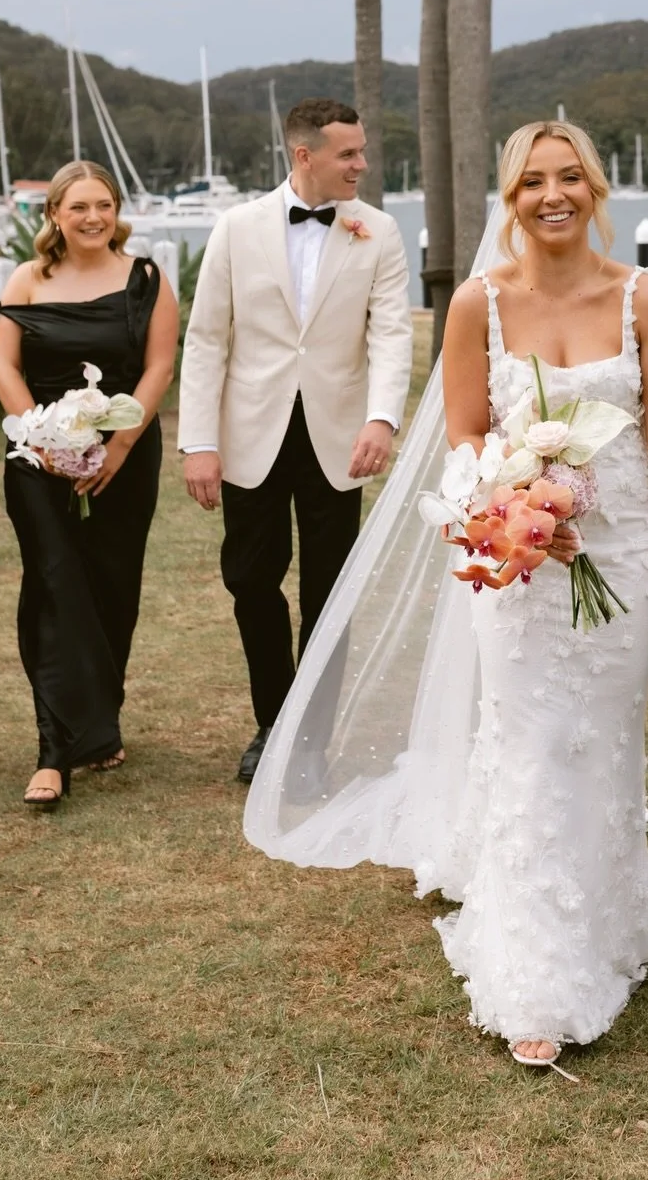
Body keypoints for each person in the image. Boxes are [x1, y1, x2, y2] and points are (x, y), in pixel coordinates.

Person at [244, 121, 648, 1078]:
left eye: (569, 178)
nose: (553, 195)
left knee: (606, 730)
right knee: (533, 741)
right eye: (532, 182)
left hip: (622, 549)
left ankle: (612, 915)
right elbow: (466, 433)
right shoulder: (478, 303)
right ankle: (537, 970)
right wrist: (513, 507)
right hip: (518, 557)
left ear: (595, 186)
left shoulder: (645, 297)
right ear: (510, 198)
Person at [178, 98, 412, 783]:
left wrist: (381, 418)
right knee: (252, 578)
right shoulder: (235, 226)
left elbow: (392, 333)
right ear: (304, 155)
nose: (362, 164)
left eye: (362, 151)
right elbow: (207, 338)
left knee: (328, 590)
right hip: (250, 430)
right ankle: (271, 721)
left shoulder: (381, 230)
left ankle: (309, 739)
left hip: (340, 435)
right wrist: (198, 439)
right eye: (348, 153)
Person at [0, 161, 178, 809]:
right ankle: (53, 751)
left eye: (104, 204)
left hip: (123, 452)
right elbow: (3, 363)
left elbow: (158, 365)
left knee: (113, 586)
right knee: (55, 582)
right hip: (37, 458)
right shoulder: (28, 279)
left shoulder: (146, 279)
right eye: (78, 206)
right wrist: (39, 436)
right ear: (55, 215)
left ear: (117, 210)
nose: (93, 216)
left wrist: (116, 447)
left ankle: (100, 721)